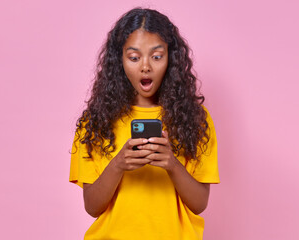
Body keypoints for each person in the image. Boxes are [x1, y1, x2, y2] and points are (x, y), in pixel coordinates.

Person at [69, 7, 220, 240]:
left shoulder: (196, 119)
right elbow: (92, 206)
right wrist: (118, 164)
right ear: (119, 60)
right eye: (134, 57)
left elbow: (200, 203)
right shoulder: (96, 121)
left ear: (171, 59)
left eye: (157, 56)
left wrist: (172, 164)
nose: (145, 66)